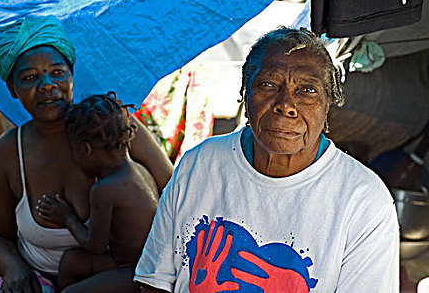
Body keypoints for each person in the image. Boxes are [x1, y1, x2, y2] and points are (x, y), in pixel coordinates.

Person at [135, 27, 400, 292]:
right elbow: (155, 280)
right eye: (268, 84)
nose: (286, 104)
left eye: (307, 90)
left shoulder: (363, 200)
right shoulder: (200, 164)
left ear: (328, 104)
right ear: (245, 94)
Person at [0, 15, 173, 293]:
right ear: (12, 89)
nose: (46, 84)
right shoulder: (8, 152)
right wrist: (13, 268)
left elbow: (177, 196)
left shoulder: (112, 127)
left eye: (57, 72)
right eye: (30, 77)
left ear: (71, 76)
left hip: (127, 277)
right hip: (39, 280)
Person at [36, 92, 159, 293]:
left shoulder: (104, 189)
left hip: (141, 273)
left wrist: (67, 217)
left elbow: (95, 246)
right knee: (71, 261)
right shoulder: (138, 170)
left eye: (73, 151)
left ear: (85, 150)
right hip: (131, 261)